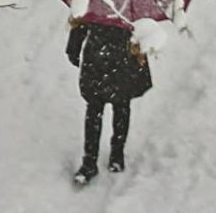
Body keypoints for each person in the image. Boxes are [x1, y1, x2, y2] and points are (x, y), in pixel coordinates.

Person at [65, 20, 152, 184]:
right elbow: (143, 28)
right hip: (120, 59)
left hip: (100, 57)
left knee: (96, 110)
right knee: (119, 107)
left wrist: (74, 49)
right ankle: (116, 156)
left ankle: (90, 162)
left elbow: (82, 21)